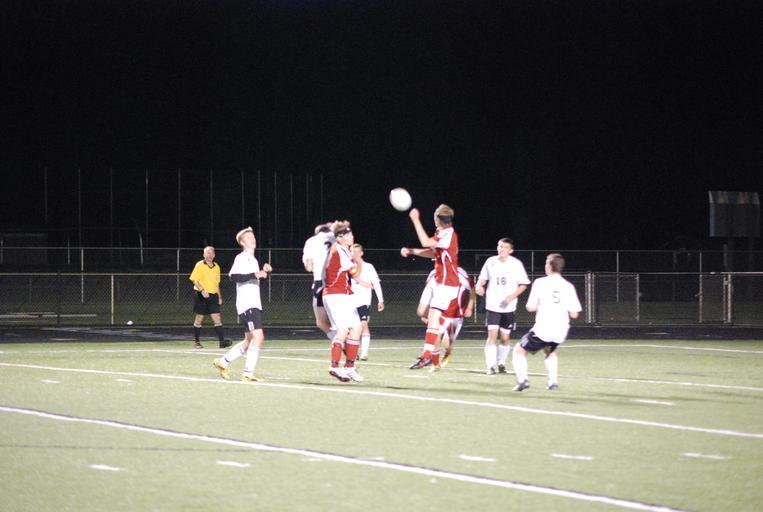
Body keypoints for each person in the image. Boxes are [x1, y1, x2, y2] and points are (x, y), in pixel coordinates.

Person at [512, 253, 582, 391]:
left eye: (546, 263)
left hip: (544, 328)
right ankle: (553, 382)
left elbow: (530, 307)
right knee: (549, 351)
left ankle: (522, 380)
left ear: (549, 266)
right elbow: (574, 314)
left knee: (519, 351)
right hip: (561, 330)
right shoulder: (568, 286)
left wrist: (543, 307)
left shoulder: (540, 282)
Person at [401, 204, 458, 372]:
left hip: (447, 283)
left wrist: (415, 220)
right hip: (438, 280)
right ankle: (443, 327)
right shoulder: (442, 233)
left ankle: (427, 355)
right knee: (424, 313)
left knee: (432, 317)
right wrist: (413, 251)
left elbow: (426, 242)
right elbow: (433, 252)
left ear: (438, 219)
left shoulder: (448, 234)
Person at [213, 227, 272, 382]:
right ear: (242, 243)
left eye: (253, 237)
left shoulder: (253, 260)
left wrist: (264, 272)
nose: (253, 239)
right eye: (248, 238)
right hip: (247, 304)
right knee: (259, 337)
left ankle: (222, 362)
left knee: (248, 341)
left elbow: (253, 279)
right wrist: (255, 274)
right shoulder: (241, 257)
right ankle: (247, 373)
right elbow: (233, 277)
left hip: (254, 303)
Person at [475, 238, 530, 375]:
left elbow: (524, 284)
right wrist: (479, 286)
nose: (501, 249)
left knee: (505, 338)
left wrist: (512, 296)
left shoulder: (516, 264)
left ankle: (501, 363)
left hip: (509, 307)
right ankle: (490, 366)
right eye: (499, 246)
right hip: (493, 305)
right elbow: (482, 279)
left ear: (510, 250)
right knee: (492, 336)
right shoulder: (490, 261)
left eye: (505, 247)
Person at [322, 221, 363, 382]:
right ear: (339, 238)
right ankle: (334, 366)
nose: (351, 237)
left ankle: (349, 367)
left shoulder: (342, 249)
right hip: (336, 295)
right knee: (343, 330)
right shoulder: (339, 250)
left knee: (357, 328)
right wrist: (358, 259)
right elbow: (354, 272)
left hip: (342, 294)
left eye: (351, 234)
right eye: (347, 235)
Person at [418, 266, 475, 367]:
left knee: (447, 345)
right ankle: (430, 358)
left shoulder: (460, 273)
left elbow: (472, 289)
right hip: (440, 312)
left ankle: (447, 353)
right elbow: (429, 293)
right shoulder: (433, 274)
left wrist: (470, 307)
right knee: (436, 336)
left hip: (455, 315)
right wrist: (426, 313)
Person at [189, 246, 231, 349]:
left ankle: (222, 342)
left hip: (213, 296)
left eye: (211, 253)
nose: (210, 255)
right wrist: (202, 290)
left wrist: (219, 296)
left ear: (214, 255)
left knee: (217, 318)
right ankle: (197, 342)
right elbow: (194, 280)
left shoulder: (217, 267)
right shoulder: (199, 265)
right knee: (199, 318)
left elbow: (217, 284)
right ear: (204, 255)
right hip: (201, 295)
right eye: (207, 253)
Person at [302, 222, 337, 339]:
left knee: (321, 321)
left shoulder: (311, 241)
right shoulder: (337, 238)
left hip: (320, 284)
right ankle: (344, 342)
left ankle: (338, 341)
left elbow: (309, 267)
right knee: (340, 320)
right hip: (339, 283)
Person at [350, 243, 384, 361]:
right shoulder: (348, 266)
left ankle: (364, 353)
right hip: (349, 302)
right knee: (351, 328)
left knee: (363, 325)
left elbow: (376, 283)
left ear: (361, 253)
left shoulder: (368, 267)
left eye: (357, 252)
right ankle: (353, 352)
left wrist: (380, 300)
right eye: (352, 251)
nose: (354, 254)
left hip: (363, 302)